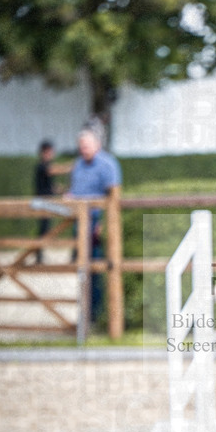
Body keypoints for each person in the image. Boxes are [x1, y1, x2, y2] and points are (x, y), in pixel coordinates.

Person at [66, 122, 122, 323]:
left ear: (97, 145)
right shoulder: (78, 165)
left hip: (97, 223)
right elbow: (76, 190)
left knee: (96, 269)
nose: (83, 149)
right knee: (82, 269)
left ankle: (95, 316)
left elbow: (113, 197)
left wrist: (104, 225)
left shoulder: (107, 164)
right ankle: (85, 314)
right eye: (81, 146)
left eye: (86, 145)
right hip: (79, 224)